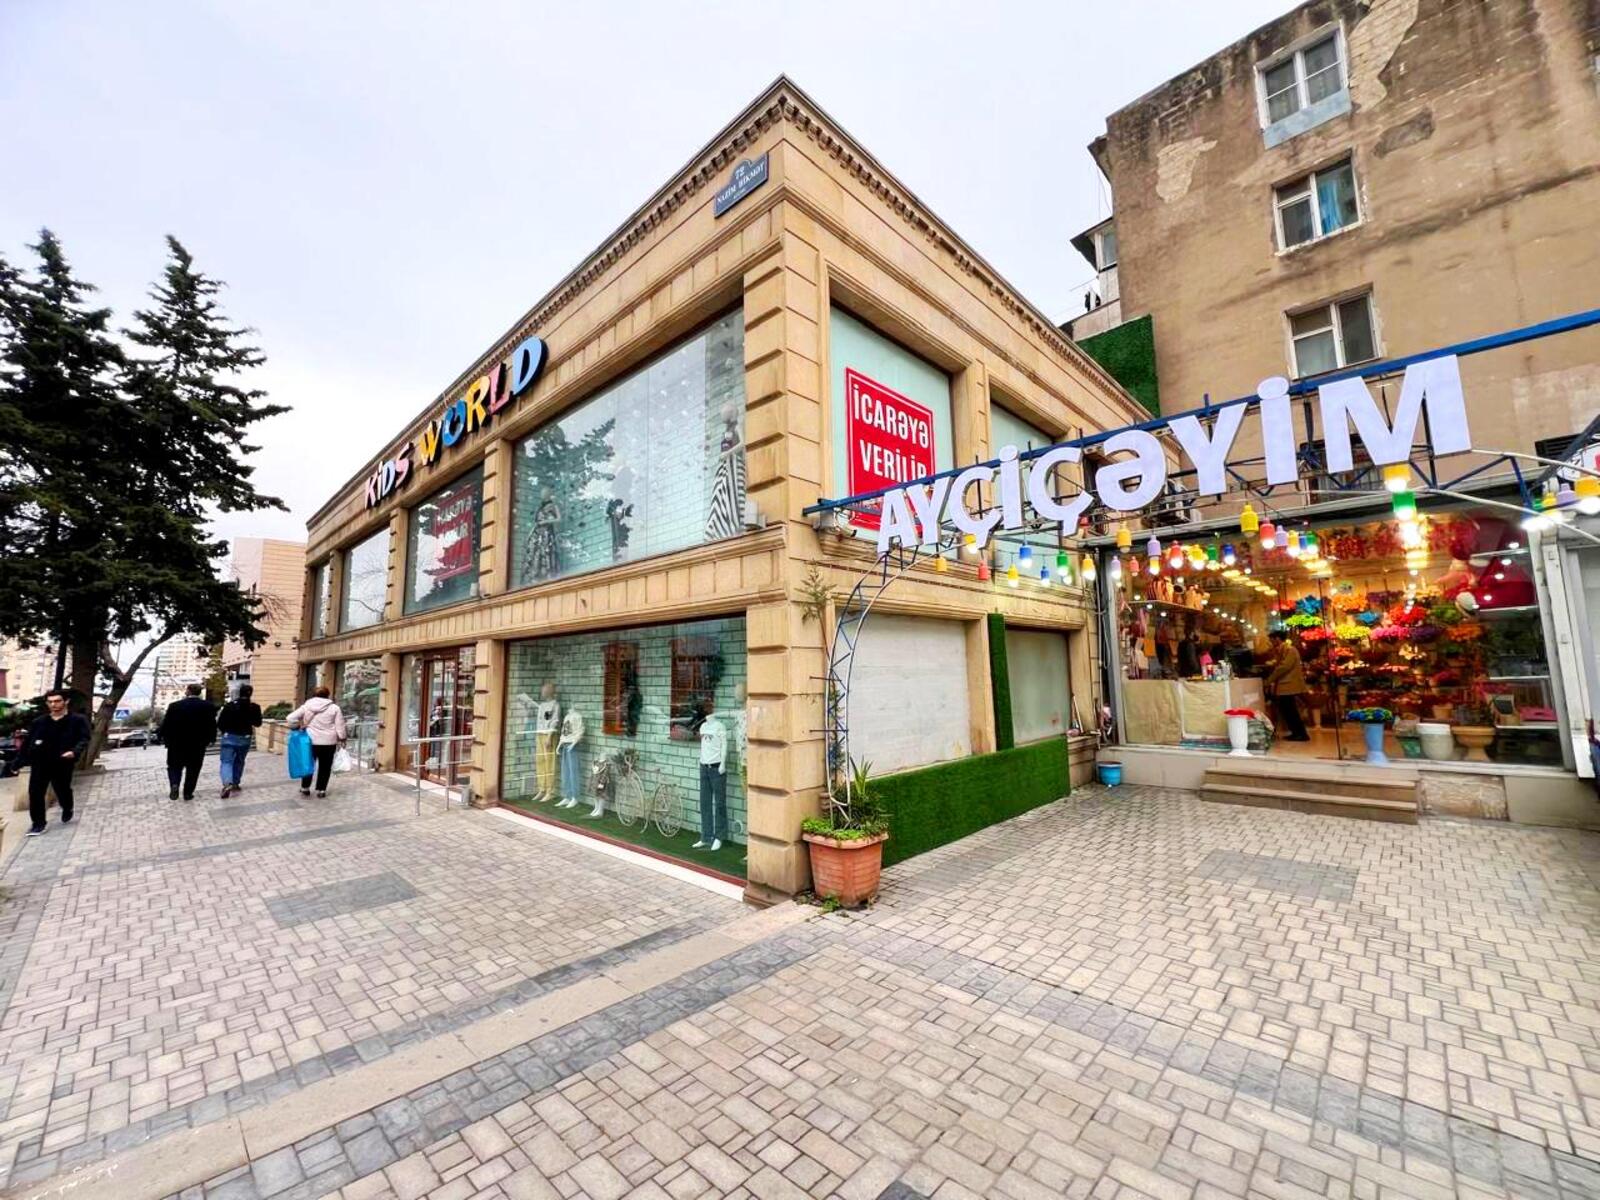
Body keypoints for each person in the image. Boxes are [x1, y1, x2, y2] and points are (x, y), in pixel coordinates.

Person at [23, 689, 90, 836]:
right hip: (40, 762)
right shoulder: (39, 722)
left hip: (63, 761)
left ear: (66, 701)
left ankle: (67, 807)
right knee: (35, 792)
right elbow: (27, 743)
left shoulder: (77, 720)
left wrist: (74, 751)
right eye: (50, 702)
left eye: (57, 701)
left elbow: (84, 738)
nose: (54, 704)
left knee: (62, 789)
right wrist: (18, 762)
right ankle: (38, 824)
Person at [160, 684, 218, 800]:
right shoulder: (208, 706)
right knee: (193, 769)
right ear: (199, 692)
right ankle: (188, 793)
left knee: (174, 766)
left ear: (188, 691)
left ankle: (174, 784)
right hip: (198, 744)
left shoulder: (174, 706)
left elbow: (166, 724)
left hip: (176, 743)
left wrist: (163, 737)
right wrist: (212, 738)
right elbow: (212, 724)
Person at [287, 686, 347, 797]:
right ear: (328, 695)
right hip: (329, 742)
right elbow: (340, 725)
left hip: (310, 741)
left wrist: (297, 726)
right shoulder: (334, 708)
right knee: (325, 766)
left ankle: (305, 787)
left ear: (314, 695)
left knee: (308, 764)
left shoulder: (307, 706)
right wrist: (342, 737)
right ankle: (321, 790)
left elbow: (290, 718)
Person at [216, 684, 263, 798]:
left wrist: (225, 731)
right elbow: (258, 723)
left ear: (239, 693)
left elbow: (220, 723)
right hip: (245, 738)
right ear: (251, 693)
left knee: (226, 761)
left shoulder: (230, 705)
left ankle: (227, 783)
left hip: (229, 736)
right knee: (239, 761)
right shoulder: (254, 707)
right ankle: (236, 783)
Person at [1265, 631, 1310, 742]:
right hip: (1285, 685)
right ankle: (1296, 733)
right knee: (1288, 710)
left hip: (1288, 685)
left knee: (1290, 710)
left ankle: (1301, 734)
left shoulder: (1290, 650)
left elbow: (1284, 667)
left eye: (1271, 640)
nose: (1270, 642)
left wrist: (1269, 680)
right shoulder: (1282, 650)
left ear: (1277, 639)